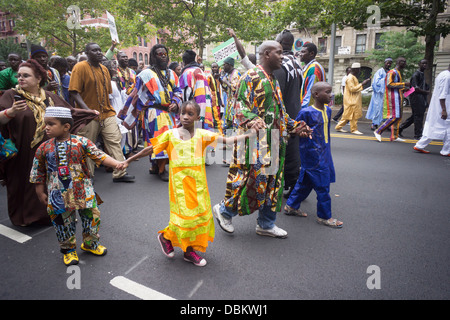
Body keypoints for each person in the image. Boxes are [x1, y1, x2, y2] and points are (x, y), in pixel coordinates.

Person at [124, 100, 253, 266]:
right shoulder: (171, 135)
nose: (185, 117)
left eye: (190, 114)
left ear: (197, 117)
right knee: (185, 219)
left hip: (199, 187)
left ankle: (188, 251)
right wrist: (129, 160)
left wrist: (250, 135)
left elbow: (227, 141)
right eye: (183, 113)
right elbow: (150, 149)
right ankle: (168, 238)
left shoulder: (202, 135)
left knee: (198, 218)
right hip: (179, 188)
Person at [212, 41, 312, 239]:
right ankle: (224, 211)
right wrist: (251, 119)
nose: (282, 57)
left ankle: (266, 224)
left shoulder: (273, 80)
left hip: (274, 141)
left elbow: (279, 112)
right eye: (279, 53)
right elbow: (236, 106)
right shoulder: (251, 76)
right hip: (253, 142)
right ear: (267, 54)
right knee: (249, 181)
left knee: (272, 183)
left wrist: (296, 127)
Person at [0, 59, 97, 226]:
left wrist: (88, 113)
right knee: (26, 182)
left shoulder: (50, 97)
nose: (21, 79)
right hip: (24, 151)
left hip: (50, 150)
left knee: (52, 182)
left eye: (26, 75)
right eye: (19, 76)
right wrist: (11, 111)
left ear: (39, 79)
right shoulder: (11, 95)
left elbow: (68, 113)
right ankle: (27, 217)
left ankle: (49, 214)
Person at [30, 107, 126, 266]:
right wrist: (40, 192)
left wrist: (117, 163)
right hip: (58, 194)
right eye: (45, 123)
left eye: (51, 124)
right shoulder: (44, 148)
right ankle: (68, 250)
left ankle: (90, 244)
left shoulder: (82, 142)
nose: (46, 127)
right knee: (63, 223)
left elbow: (99, 155)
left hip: (84, 190)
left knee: (92, 217)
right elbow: (37, 171)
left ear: (66, 126)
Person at [69, 43, 134, 182]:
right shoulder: (79, 67)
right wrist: (87, 110)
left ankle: (120, 173)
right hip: (88, 115)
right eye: (94, 50)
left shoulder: (105, 69)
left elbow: (108, 93)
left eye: (99, 50)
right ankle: (87, 176)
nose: (98, 52)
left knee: (115, 140)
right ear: (87, 53)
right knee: (88, 145)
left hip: (107, 112)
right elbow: (74, 92)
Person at [285, 82, 343, 228]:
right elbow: (294, 130)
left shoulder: (328, 111)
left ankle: (291, 206)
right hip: (312, 154)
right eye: (327, 92)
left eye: (331, 92)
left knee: (305, 182)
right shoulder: (306, 112)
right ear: (316, 94)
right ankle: (324, 216)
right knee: (323, 185)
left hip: (324, 152)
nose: (330, 95)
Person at [121, 44, 182, 181]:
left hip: (170, 112)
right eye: (159, 54)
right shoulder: (145, 74)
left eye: (165, 54)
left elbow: (178, 91)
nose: (163, 56)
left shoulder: (172, 74)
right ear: (154, 56)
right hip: (154, 112)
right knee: (158, 140)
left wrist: (176, 102)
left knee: (166, 140)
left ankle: (155, 167)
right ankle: (161, 169)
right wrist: (127, 114)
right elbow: (135, 95)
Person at [273, 29, 303, 198]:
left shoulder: (281, 63)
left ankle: (292, 187)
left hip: (285, 114)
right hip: (295, 110)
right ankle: (293, 186)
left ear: (282, 43)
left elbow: (276, 92)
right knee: (292, 150)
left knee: (284, 151)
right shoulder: (296, 62)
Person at [414, 64, 450, 156]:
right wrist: (444, 110)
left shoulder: (443, 74)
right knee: (447, 128)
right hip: (444, 106)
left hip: (440, 106)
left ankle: (420, 145)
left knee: (435, 127)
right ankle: (446, 151)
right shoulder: (447, 77)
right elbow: (443, 94)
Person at [374, 57, 410, 142]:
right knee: (394, 117)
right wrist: (404, 84)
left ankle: (394, 136)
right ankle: (378, 131)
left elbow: (396, 86)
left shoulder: (398, 72)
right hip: (392, 98)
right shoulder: (392, 72)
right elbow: (389, 84)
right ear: (398, 62)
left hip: (398, 97)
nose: (405, 63)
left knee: (398, 117)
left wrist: (405, 88)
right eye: (403, 62)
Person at [179, 50, 215, 131]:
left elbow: (184, 96)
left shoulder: (187, 73)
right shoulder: (201, 72)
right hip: (205, 113)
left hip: (192, 116)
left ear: (184, 62)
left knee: (192, 140)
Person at [335, 62, 371, 134]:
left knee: (348, 115)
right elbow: (352, 89)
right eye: (359, 69)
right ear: (355, 69)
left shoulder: (352, 77)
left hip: (352, 99)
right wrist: (362, 83)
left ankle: (338, 127)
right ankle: (354, 129)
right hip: (351, 100)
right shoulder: (350, 78)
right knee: (352, 115)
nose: (359, 71)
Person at [399, 59, 430, 139]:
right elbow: (415, 88)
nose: (425, 65)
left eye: (426, 63)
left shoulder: (422, 74)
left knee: (415, 116)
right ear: (419, 64)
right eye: (423, 63)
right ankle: (418, 134)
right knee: (418, 117)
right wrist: (425, 92)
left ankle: (400, 128)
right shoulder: (416, 74)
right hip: (416, 98)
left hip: (421, 98)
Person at [366, 58, 393, 130]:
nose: (389, 64)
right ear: (384, 62)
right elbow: (375, 83)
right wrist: (385, 79)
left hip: (387, 94)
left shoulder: (391, 72)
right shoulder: (380, 71)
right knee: (377, 109)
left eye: (390, 63)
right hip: (379, 94)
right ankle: (374, 124)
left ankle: (386, 124)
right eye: (387, 63)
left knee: (386, 109)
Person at [299, 43, 326, 109]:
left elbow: (310, 95)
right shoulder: (310, 67)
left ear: (311, 53)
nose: (300, 54)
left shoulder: (313, 69)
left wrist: (302, 110)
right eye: (300, 52)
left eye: (303, 52)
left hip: (311, 111)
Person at [218, 56, 241, 129]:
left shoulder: (236, 74)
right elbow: (225, 88)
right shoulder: (228, 74)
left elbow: (235, 88)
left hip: (235, 104)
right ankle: (229, 138)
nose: (223, 67)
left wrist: (226, 82)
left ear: (229, 65)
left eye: (224, 65)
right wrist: (220, 80)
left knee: (235, 126)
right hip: (229, 103)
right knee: (228, 126)